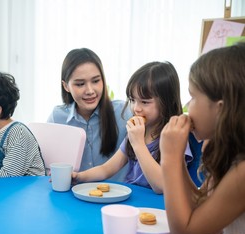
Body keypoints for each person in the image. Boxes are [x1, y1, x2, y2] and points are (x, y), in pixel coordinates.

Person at [160, 42, 245, 234]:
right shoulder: (229, 152)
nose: (187, 106)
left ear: (221, 109)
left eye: (193, 97)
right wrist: (177, 157)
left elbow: (186, 233)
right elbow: (200, 207)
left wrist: (169, 158)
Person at [73, 61, 193, 194]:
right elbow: (106, 169)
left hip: (158, 207)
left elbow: (162, 186)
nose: (136, 108)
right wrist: (79, 176)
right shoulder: (137, 133)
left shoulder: (174, 136)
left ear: (167, 102)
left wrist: (138, 144)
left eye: (145, 102)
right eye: (132, 100)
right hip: (131, 202)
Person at [48, 48, 131, 182]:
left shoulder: (124, 112)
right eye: (80, 84)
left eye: (96, 81)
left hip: (118, 197)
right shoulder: (57, 118)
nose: (90, 91)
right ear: (66, 86)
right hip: (74, 197)